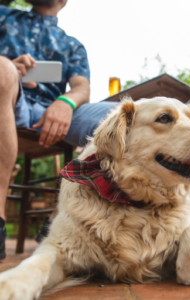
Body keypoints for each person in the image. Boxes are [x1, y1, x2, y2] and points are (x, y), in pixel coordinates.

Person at [0, 0, 118, 261]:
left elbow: (82, 88)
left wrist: (65, 102)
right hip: (9, 97)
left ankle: (61, 221)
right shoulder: (3, 16)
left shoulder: (72, 44)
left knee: (123, 118)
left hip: (55, 110)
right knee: (2, 69)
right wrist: (10, 67)